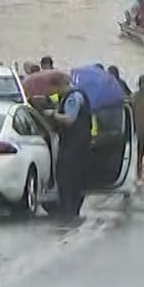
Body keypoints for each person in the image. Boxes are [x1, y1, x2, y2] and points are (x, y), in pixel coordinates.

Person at [48, 73, 92, 218]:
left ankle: (69, 209)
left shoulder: (73, 97)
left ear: (61, 85)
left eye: (56, 89)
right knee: (75, 177)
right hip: (79, 143)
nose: (56, 92)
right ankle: (72, 209)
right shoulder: (76, 96)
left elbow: (69, 120)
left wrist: (53, 115)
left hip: (74, 144)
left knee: (67, 176)